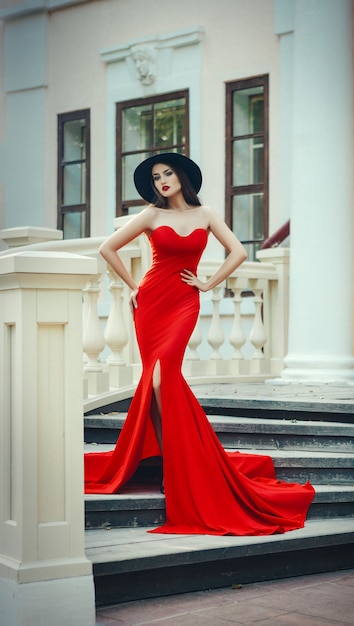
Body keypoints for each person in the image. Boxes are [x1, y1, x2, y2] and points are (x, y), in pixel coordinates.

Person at [84, 152, 315, 536]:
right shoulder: (150, 215)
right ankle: (170, 467)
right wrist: (134, 285)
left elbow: (239, 251)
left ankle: (176, 467)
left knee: (162, 380)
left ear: (181, 176)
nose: (162, 181)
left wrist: (208, 284)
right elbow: (107, 249)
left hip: (184, 303)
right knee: (156, 381)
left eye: (167, 173)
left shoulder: (206, 214)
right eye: (156, 177)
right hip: (153, 300)